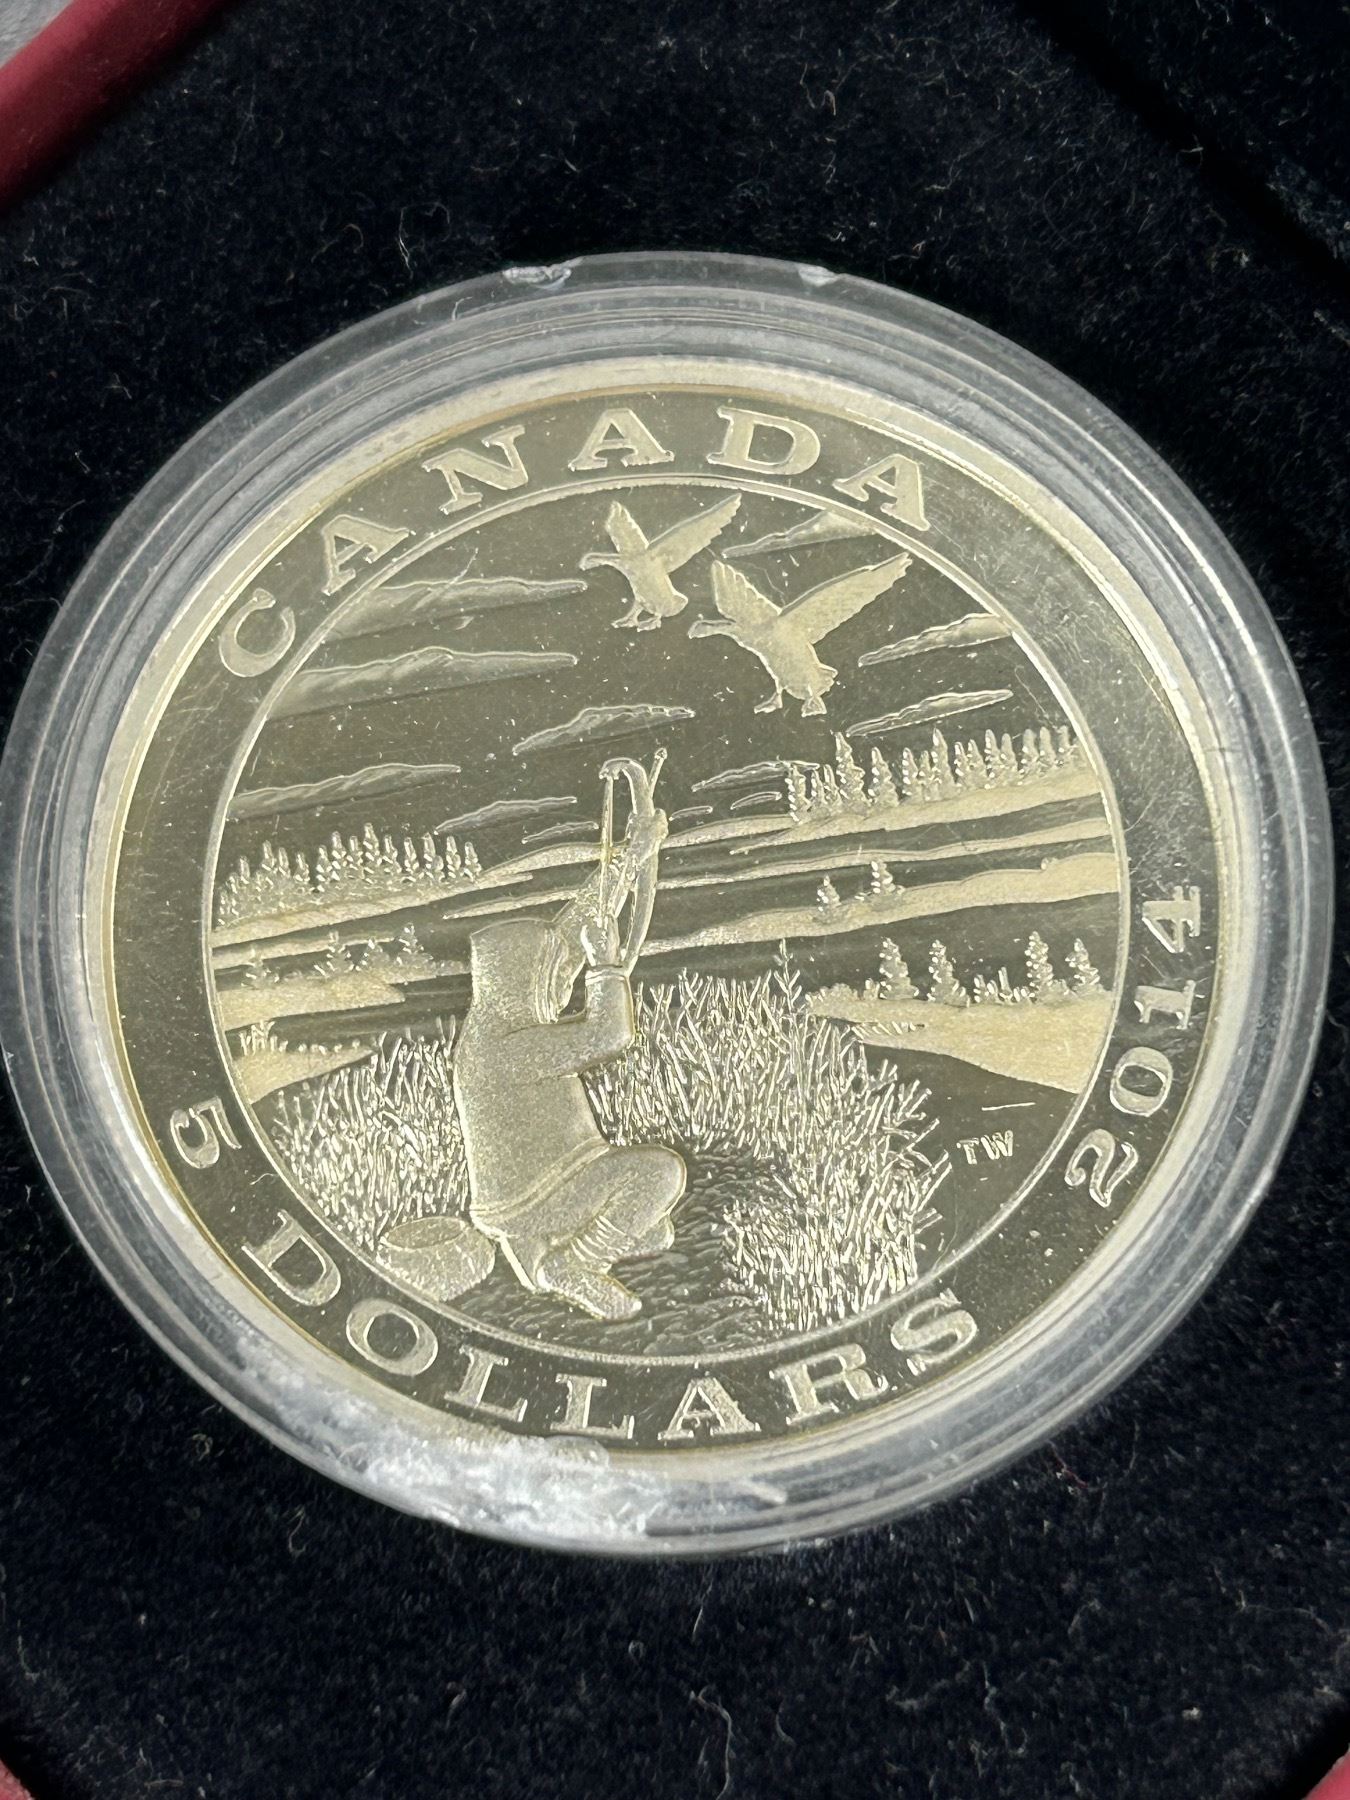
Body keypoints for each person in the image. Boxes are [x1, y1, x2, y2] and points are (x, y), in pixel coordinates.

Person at [452, 910, 686, 1321]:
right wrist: (606, 966)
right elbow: (609, 1036)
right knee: (661, 1175)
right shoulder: (510, 1047)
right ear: (523, 981)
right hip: (538, 1194)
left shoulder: (488, 1034)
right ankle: (575, 1264)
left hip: (523, 1192)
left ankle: (543, 1260)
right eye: (553, 975)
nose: (562, 985)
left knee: (656, 1230)